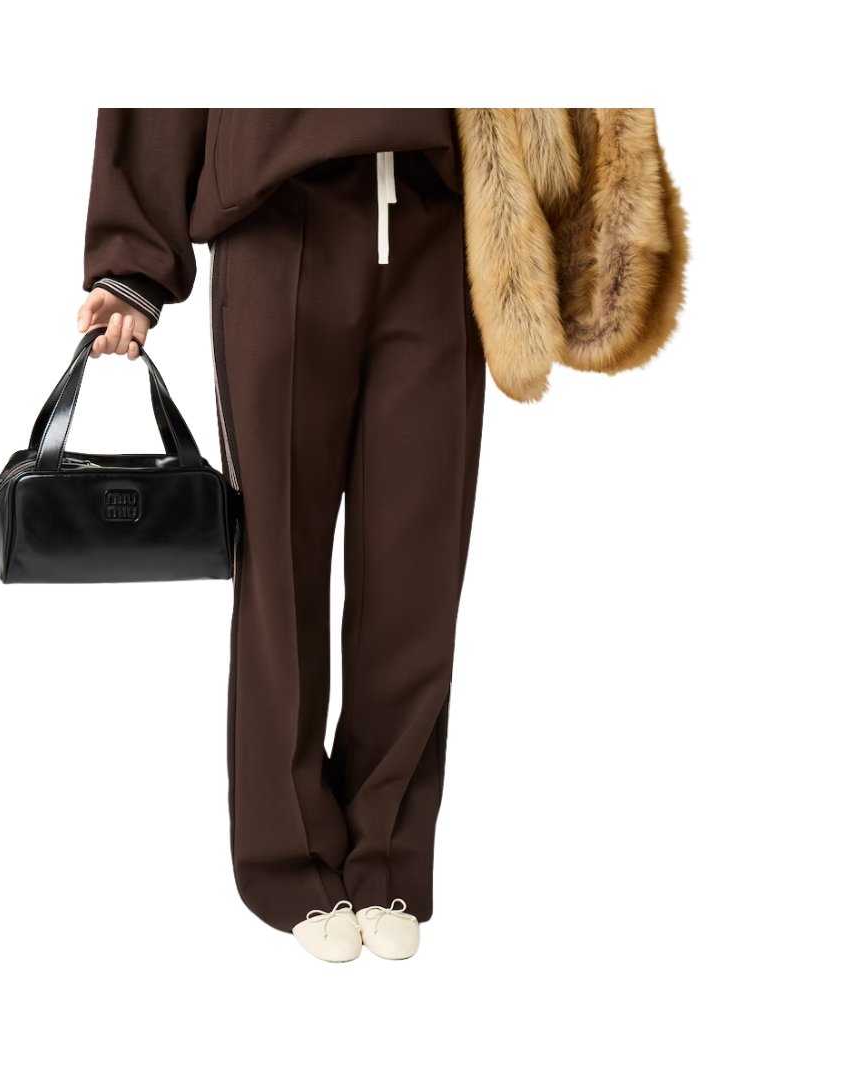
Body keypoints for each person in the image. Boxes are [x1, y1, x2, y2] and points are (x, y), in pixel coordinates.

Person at [75, 109, 688, 963]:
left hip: (445, 216)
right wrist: (133, 259)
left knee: (417, 565)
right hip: (277, 213)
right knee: (278, 564)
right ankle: (289, 861)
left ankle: (387, 854)